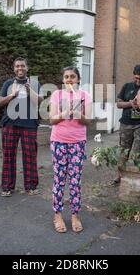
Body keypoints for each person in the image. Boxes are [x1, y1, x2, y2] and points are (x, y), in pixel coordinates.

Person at [49, 67, 92, 233]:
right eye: (66, 77)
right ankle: (57, 215)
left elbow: (88, 121)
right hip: (59, 141)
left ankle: (75, 215)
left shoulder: (84, 96)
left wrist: (78, 114)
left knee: (75, 180)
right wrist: (66, 112)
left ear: (78, 80)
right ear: (63, 80)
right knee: (59, 179)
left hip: (77, 143)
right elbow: (52, 120)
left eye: (72, 77)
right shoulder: (56, 95)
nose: (69, 80)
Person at [0, 57, 43, 197]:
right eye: (17, 66)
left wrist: (30, 91)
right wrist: (11, 95)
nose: (20, 68)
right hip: (10, 124)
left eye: (22, 66)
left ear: (27, 68)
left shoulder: (35, 83)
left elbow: (40, 101)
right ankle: (7, 187)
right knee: (8, 156)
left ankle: (30, 186)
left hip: (29, 125)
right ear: (14, 68)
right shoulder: (8, 83)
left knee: (30, 156)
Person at [110, 64, 140, 186]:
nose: (138, 81)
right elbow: (119, 104)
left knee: (136, 153)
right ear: (133, 75)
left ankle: (132, 177)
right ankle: (120, 176)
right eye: (136, 78)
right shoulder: (127, 86)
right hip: (125, 124)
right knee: (123, 152)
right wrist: (131, 104)